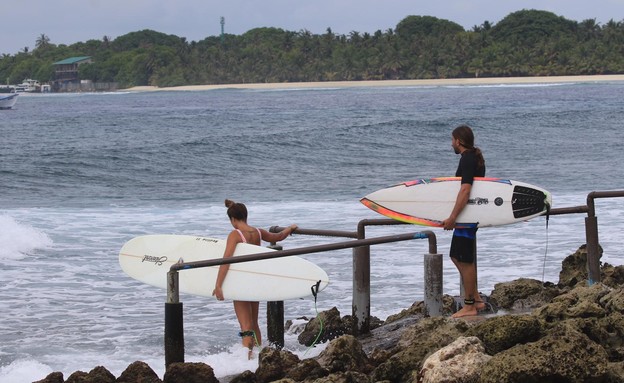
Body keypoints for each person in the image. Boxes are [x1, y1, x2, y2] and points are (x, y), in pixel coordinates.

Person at [212, 199, 298, 358]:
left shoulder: (235, 235)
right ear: (246, 215)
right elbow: (278, 236)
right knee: (254, 324)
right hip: (255, 282)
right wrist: (290, 228)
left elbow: (226, 260)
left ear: (232, 219)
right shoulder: (258, 232)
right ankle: (259, 358)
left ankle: (246, 361)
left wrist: (218, 285)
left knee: (246, 327)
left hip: (241, 283)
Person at [441, 125, 486, 318]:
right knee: (456, 256)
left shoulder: (468, 159)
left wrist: (453, 217)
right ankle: (475, 298)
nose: (451, 143)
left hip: (466, 218)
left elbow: (465, 190)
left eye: (452, 140)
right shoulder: (473, 158)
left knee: (465, 260)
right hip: (468, 216)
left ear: (458, 140)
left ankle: (469, 306)